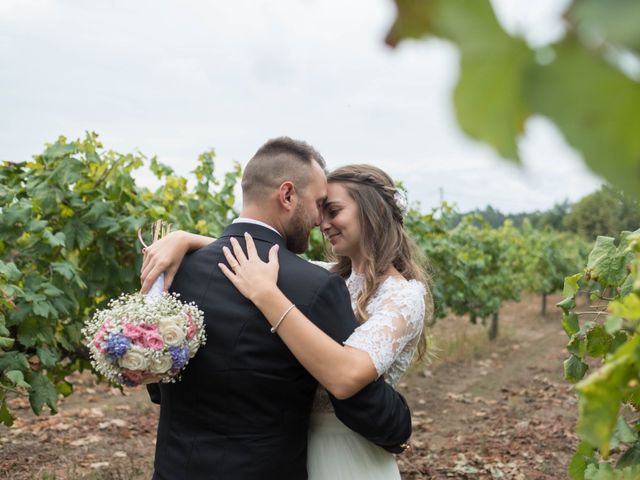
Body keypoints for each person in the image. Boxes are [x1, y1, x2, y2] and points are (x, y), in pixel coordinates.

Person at [143, 137, 412, 480]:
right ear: (287, 196)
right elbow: (355, 398)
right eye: (318, 204)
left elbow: (157, 377)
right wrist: (398, 431)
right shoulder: (316, 286)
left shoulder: (172, 270)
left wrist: (184, 237)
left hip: (174, 469)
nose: (319, 220)